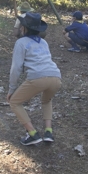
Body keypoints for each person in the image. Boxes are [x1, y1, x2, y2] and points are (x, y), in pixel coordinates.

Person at [8, 13, 62, 145]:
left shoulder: (21, 42)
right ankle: (48, 131)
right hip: (56, 77)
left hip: (37, 78)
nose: (20, 28)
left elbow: (16, 68)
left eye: (22, 26)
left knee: (14, 102)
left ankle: (33, 134)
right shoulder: (43, 42)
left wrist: (12, 89)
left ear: (24, 28)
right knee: (46, 100)